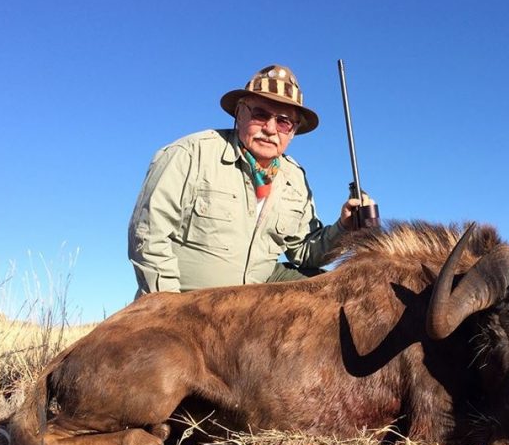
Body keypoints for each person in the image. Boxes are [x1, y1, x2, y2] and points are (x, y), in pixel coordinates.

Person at [128, 64, 371, 297]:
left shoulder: (294, 178)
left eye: (283, 121)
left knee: (336, 290)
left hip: (253, 300)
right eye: (260, 114)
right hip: (190, 301)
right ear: (239, 113)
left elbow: (305, 253)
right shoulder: (191, 154)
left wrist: (344, 227)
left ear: (293, 130)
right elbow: (149, 235)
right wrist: (171, 307)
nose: (270, 129)